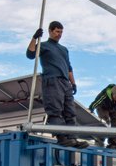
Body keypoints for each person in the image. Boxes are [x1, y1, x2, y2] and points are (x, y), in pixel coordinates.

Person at [27, 21, 87, 149]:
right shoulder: (44, 46)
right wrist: (34, 38)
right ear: (50, 31)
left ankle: (72, 138)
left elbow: (69, 67)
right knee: (55, 109)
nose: (59, 34)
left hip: (65, 82)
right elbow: (30, 54)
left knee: (70, 111)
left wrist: (73, 82)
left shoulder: (64, 49)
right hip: (52, 81)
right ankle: (62, 137)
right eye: (57, 31)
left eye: (61, 32)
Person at [88, 84, 116, 149]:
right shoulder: (104, 94)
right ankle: (100, 139)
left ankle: (113, 143)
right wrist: (91, 109)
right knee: (105, 121)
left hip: (113, 108)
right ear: (112, 93)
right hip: (102, 107)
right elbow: (96, 102)